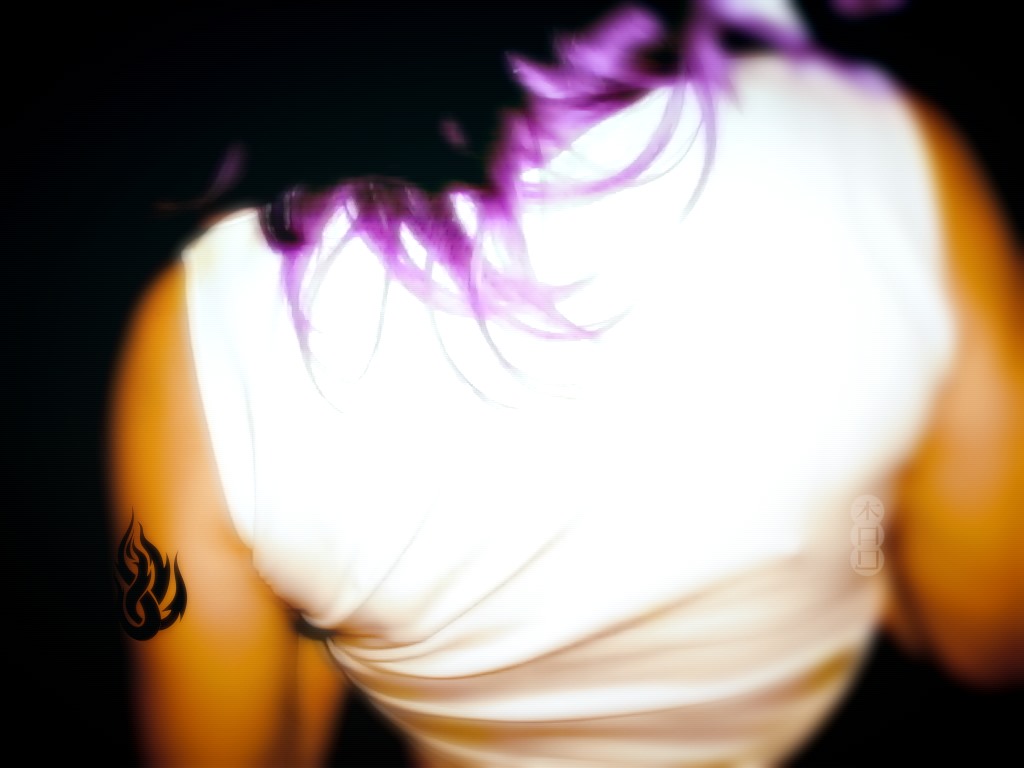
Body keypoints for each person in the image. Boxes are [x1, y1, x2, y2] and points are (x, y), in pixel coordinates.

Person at [106, 1, 1023, 766]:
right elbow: (989, 635)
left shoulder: (204, 339)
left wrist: (324, 600)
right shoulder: (871, 152)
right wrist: (857, 537)